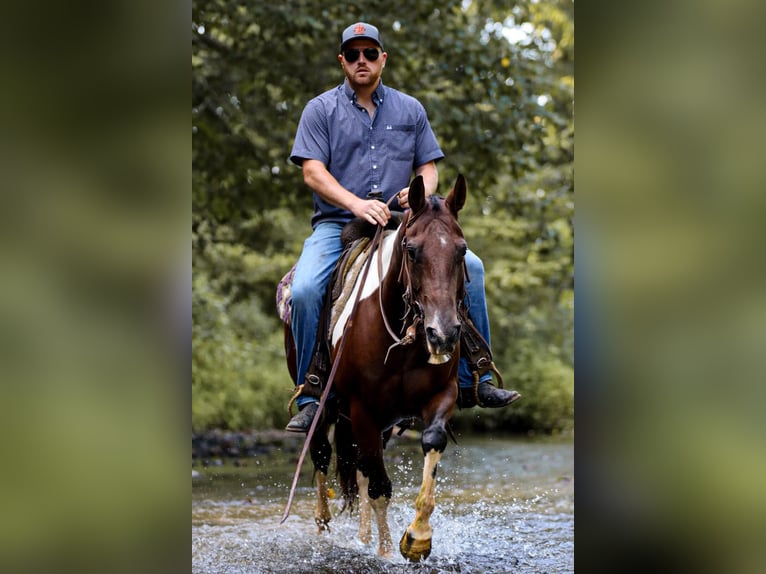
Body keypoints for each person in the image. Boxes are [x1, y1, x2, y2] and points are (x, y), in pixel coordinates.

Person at [285, 22, 520, 432]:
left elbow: (428, 171)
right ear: (342, 60)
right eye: (353, 54)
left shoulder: (410, 109)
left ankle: (475, 377)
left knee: (474, 268)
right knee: (305, 290)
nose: (362, 61)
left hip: (404, 224)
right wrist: (357, 203)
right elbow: (312, 172)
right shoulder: (319, 110)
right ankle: (312, 393)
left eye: (370, 53)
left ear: (382, 59)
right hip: (338, 222)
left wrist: (414, 196)